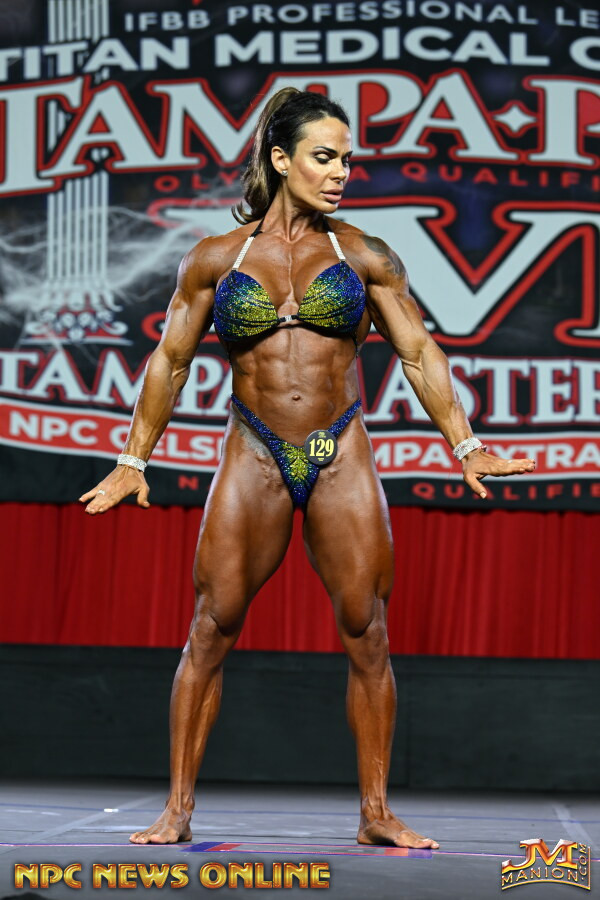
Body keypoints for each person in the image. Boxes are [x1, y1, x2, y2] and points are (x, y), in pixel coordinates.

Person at [79, 88, 535, 848]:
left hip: (337, 449)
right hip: (254, 448)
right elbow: (170, 358)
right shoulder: (216, 259)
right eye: (325, 157)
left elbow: (418, 352)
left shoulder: (363, 254)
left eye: (348, 159)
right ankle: (178, 809)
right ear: (281, 159)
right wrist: (134, 457)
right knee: (211, 626)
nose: (341, 172)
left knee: (367, 631)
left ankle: (376, 813)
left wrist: (464, 443)